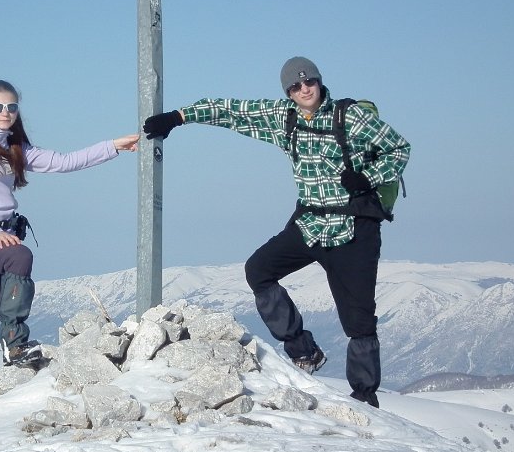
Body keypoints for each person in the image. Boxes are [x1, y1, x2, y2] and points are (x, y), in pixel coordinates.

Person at [142, 57, 410, 408]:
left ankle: (364, 399)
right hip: (310, 223)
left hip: (352, 229)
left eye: (308, 81)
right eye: (295, 87)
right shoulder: (285, 118)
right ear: (288, 92)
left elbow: (399, 148)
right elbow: (231, 111)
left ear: (319, 80)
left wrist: (368, 177)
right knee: (259, 270)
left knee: (358, 322)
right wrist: (178, 118)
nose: (304, 90)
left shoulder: (351, 118)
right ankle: (303, 350)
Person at [0, 79, 139, 412]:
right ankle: (15, 344)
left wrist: (114, 146)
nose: (5, 112)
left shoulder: (15, 147)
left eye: (11, 107)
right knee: (19, 256)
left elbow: (64, 161)